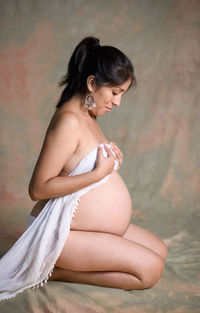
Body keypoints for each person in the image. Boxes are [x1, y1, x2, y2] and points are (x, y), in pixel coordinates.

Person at [0, 37, 167, 301]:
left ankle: (62, 265)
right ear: (92, 83)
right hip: (59, 232)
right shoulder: (68, 120)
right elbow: (38, 188)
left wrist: (111, 161)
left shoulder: (89, 116)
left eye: (121, 94)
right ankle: (53, 271)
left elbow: (78, 165)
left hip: (83, 229)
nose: (117, 102)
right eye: (115, 92)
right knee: (151, 270)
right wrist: (98, 174)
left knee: (160, 250)